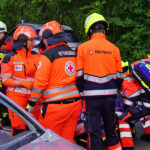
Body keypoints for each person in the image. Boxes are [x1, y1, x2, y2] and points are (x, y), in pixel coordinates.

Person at [29, 21, 82, 142]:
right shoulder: (73, 53)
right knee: (68, 140)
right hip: (74, 106)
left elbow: (40, 83)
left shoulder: (47, 55)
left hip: (55, 108)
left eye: (43, 39)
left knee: (49, 142)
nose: (43, 42)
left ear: (47, 37)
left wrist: (31, 104)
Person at [76, 13, 123, 150]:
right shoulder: (114, 49)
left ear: (90, 30)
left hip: (91, 98)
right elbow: (120, 77)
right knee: (111, 132)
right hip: (110, 98)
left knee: (94, 134)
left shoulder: (83, 48)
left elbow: (79, 76)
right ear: (104, 29)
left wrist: (81, 91)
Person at [1, 26, 40, 135]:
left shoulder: (36, 56)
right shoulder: (9, 58)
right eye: (31, 40)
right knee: (19, 131)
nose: (34, 42)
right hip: (16, 100)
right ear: (23, 42)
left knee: (36, 131)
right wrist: (23, 84)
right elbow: (5, 80)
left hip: (33, 100)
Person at [0, 21, 13, 126]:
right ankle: (4, 119)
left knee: (8, 100)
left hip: (8, 77)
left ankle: (9, 119)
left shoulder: (10, 43)